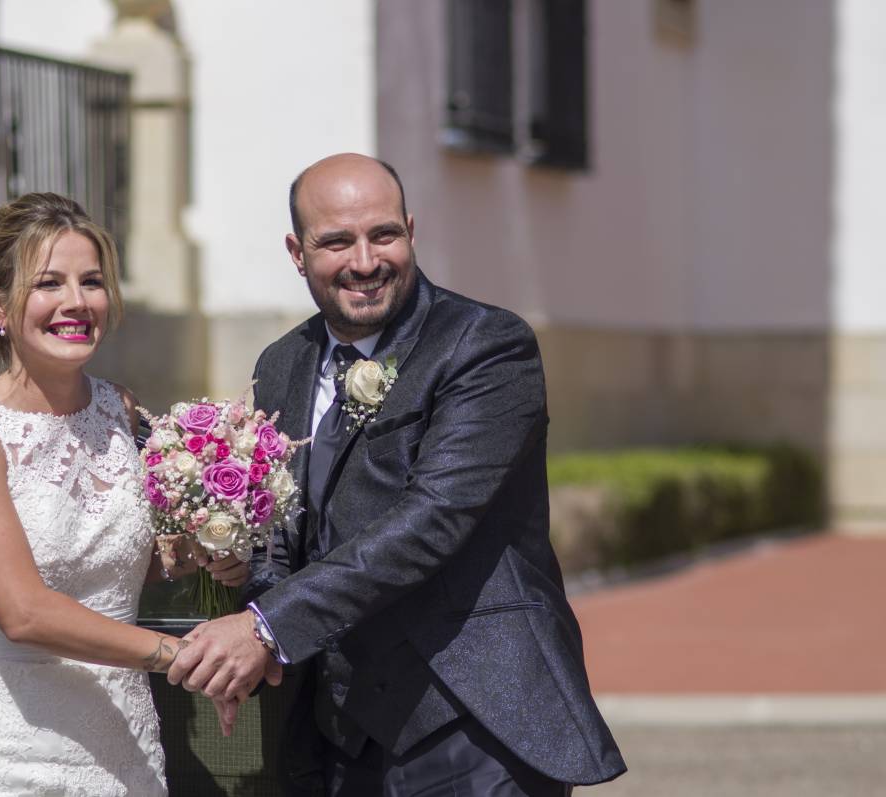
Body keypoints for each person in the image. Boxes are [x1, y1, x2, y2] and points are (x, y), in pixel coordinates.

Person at [168, 154, 627, 795]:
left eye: (384, 234)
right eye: (336, 242)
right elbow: (298, 536)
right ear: (297, 254)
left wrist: (266, 627)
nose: (365, 261)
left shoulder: (486, 345)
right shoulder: (283, 364)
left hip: (471, 717)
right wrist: (248, 574)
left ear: (411, 230)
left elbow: (432, 519)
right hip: (333, 727)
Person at [0, 192, 248, 796]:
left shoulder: (118, 411)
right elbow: (23, 613)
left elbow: (115, 564)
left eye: (91, 282)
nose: (77, 303)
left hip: (119, 739)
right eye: (49, 283)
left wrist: (202, 551)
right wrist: (178, 656)